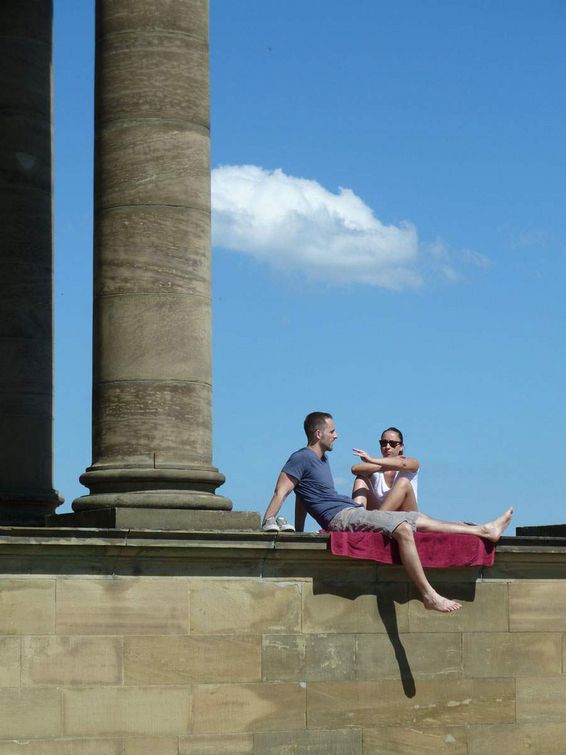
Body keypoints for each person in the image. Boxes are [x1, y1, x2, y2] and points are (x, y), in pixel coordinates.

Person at [262, 411, 513, 613]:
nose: (336, 436)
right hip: (343, 517)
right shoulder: (301, 457)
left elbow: (303, 495)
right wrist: (268, 521)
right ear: (319, 434)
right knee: (404, 528)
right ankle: (428, 594)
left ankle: (483, 529)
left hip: (350, 511)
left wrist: (301, 528)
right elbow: (283, 490)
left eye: (392, 443)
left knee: (416, 518)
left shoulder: (322, 461)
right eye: (332, 431)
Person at [351, 427, 418, 511]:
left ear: (401, 447)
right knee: (360, 479)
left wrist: (371, 460)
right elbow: (354, 469)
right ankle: (357, 518)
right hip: (379, 514)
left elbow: (404, 464)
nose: (387, 447)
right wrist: (382, 465)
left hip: (405, 515)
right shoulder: (375, 468)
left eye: (393, 443)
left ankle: (378, 519)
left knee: (403, 482)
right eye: (383, 443)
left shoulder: (411, 463)